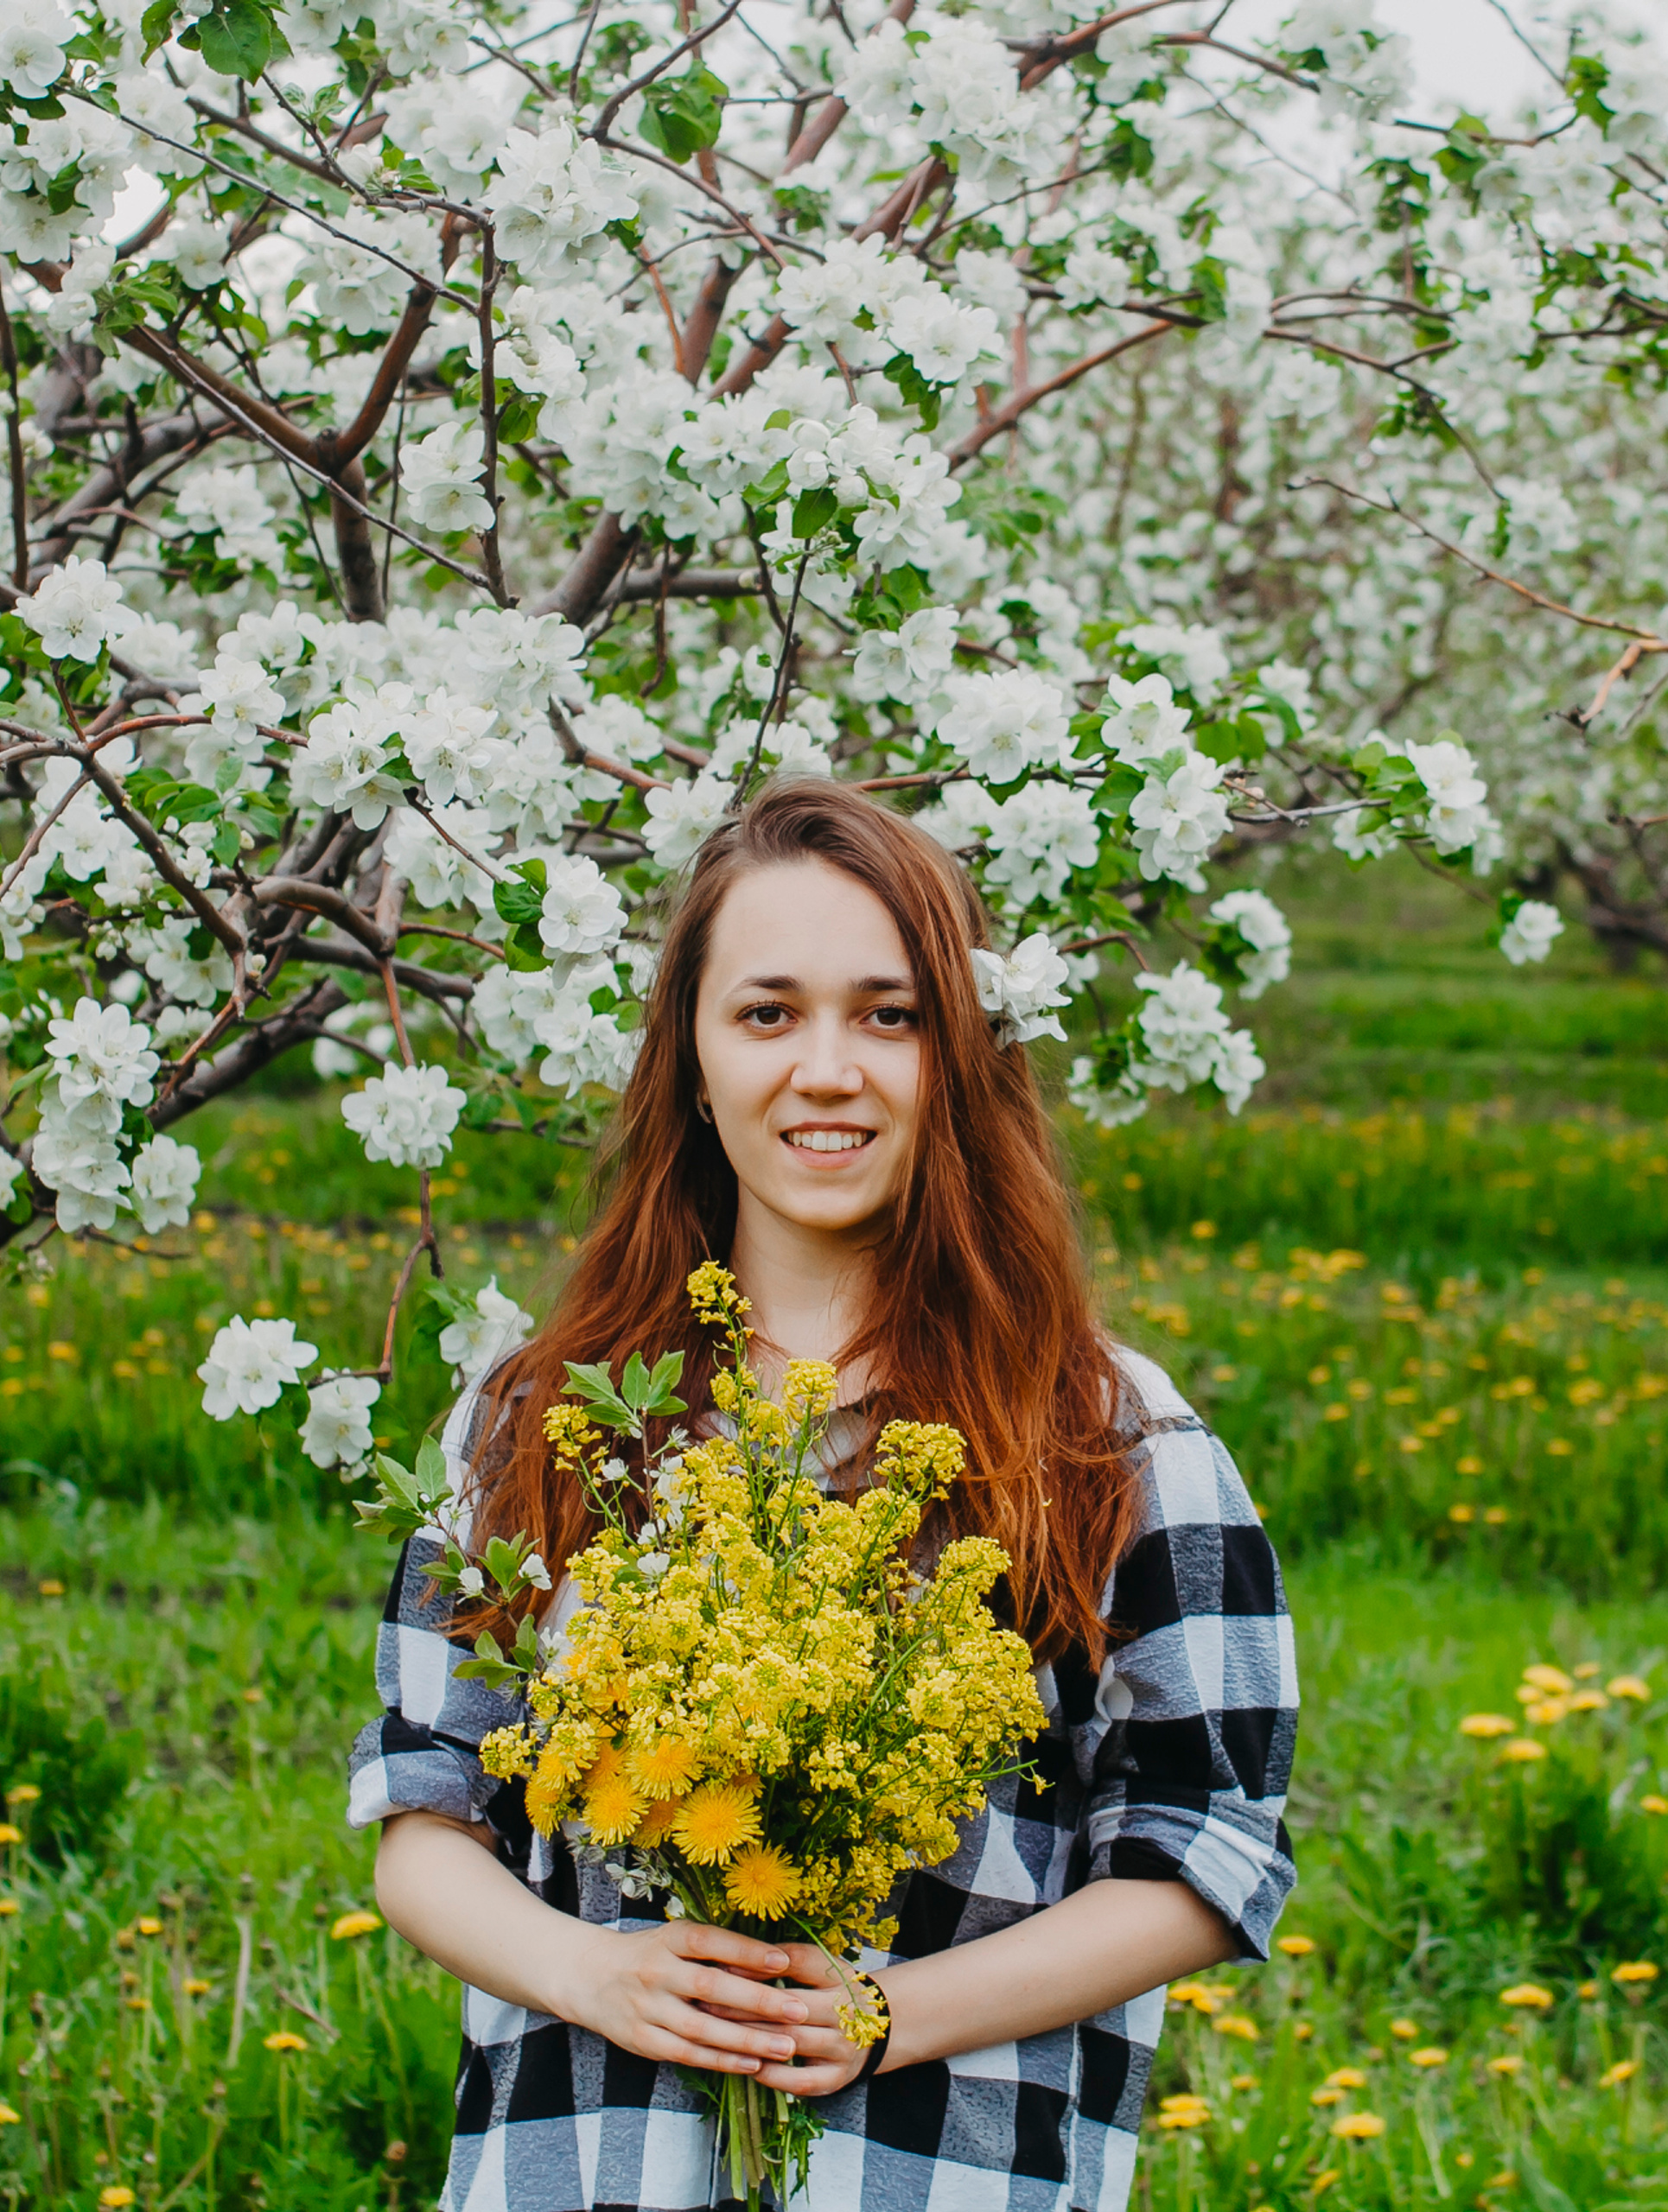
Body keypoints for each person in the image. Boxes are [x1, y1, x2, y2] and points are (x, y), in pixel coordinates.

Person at [347, 779, 1297, 2211]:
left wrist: (876, 2017)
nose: (829, 1069)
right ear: (693, 1059)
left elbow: (1205, 1851)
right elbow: (426, 1815)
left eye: (890, 1015)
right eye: (769, 1013)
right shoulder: (531, 1421)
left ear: (961, 1056)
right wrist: (600, 1975)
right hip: (588, 2166)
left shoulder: (1112, 1438)